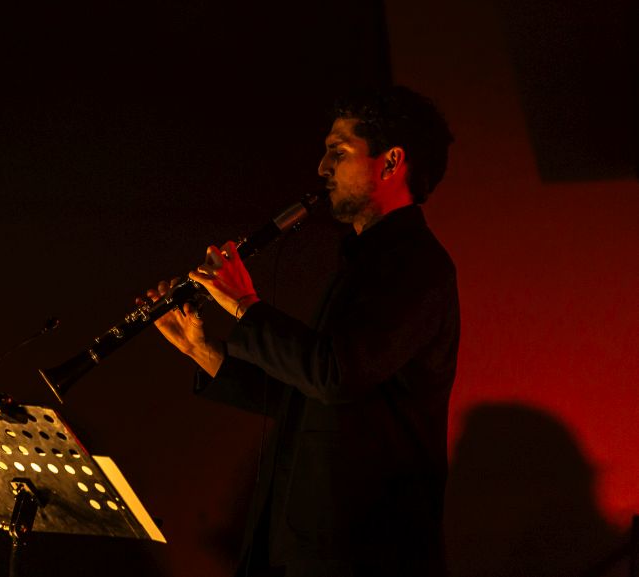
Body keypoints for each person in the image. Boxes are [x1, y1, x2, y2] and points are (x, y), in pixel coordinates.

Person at [147, 86, 459, 577]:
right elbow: (307, 396)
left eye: (339, 152)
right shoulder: (363, 264)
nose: (321, 167)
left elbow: (334, 374)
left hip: (366, 554)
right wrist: (201, 349)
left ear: (391, 162)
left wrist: (244, 303)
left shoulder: (415, 265)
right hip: (315, 549)